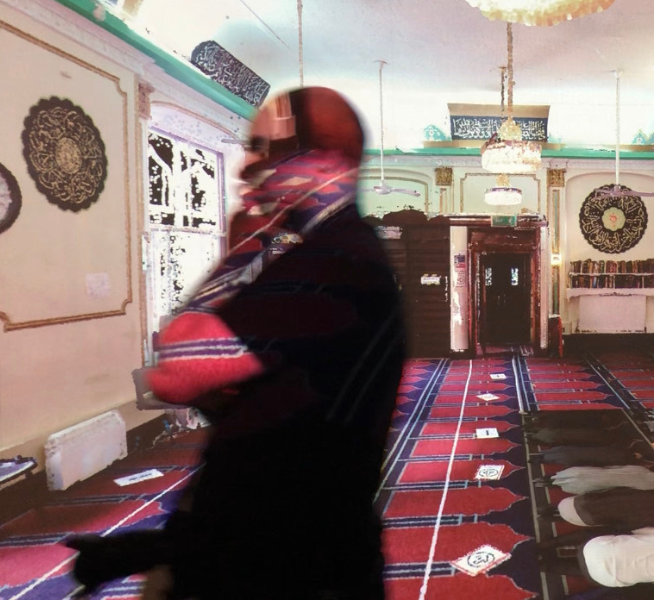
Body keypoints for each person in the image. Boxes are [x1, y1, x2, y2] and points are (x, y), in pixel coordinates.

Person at [66, 87, 406, 600]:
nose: (248, 165)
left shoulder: (333, 262)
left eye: (265, 148)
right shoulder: (320, 255)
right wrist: (156, 549)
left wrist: (249, 241)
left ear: (322, 162)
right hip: (270, 546)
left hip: (292, 569)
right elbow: (260, 425)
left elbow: (177, 369)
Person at [538, 527, 654, 587]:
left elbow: (641, 531)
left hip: (591, 548)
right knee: (604, 572)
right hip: (604, 577)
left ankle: (549, 546)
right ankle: (546, 566)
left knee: (617, 538)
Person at [539, 488, 654, 530]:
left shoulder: (646, 494)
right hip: (581, 520)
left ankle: (551, 509)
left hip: (569, 502)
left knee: (590, 500)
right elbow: (621, 526)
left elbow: (613, 491)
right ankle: (555, 517)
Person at [532, 464, 654, 494]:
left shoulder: (642, 468)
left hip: (598, 474)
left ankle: (543, 480)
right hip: (600, 480)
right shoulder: (651, 486)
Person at [530, 445, 644, 467]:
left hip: (595, 457)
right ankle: (631, 455)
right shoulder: (555, 450)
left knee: (608, 457)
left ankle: (632, 457)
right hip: (592, 449)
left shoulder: (564, 462)